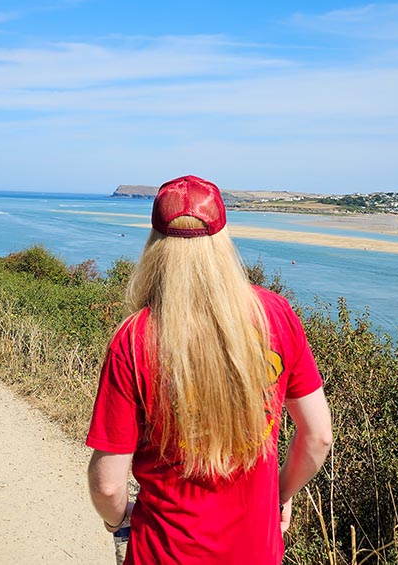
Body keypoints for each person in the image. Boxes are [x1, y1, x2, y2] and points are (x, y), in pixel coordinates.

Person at [86, 175, 333, 565]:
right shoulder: (276, 316)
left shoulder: (134, 340)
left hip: (164, 553)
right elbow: (317, 437)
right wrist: (279, 497)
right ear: (223, 240)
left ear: (154, 244)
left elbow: (107, 485)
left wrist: (120, 519)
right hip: (257, 552)